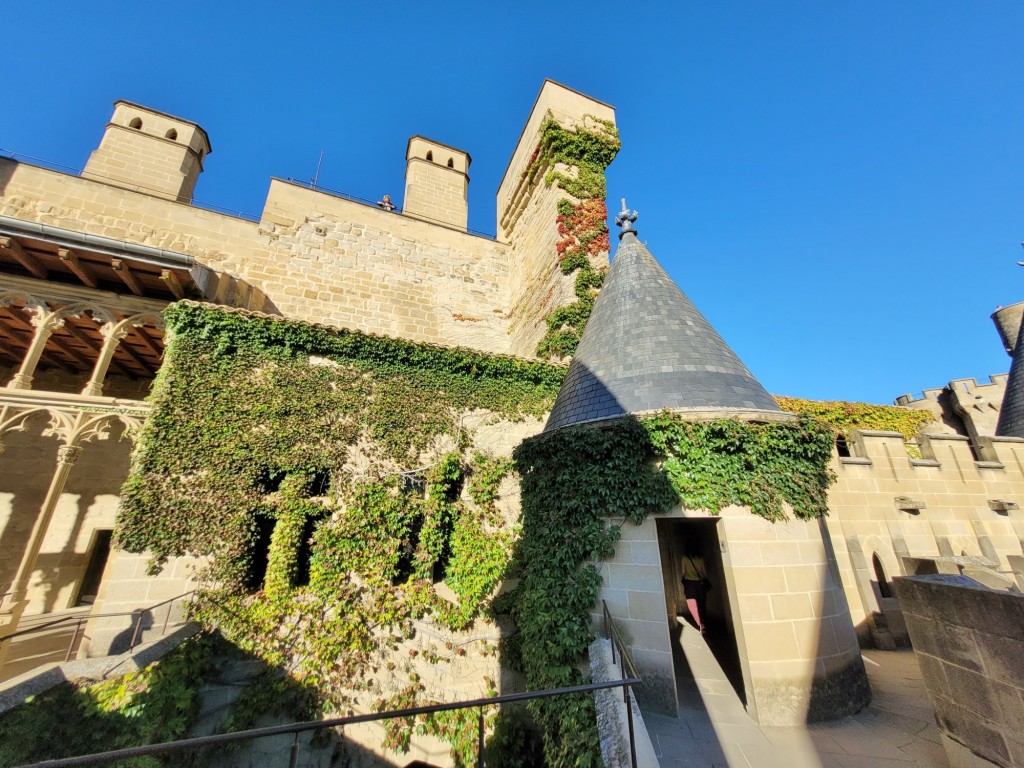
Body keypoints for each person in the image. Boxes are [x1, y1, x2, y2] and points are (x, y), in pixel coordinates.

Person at [681, 541, 709, 635]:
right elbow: (704, 572)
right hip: (700, 583)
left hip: (689, 583)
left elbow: (683, 572)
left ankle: (700, 624)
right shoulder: (700, 558)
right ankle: (703, 621)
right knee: (701, 604)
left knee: (692, 605)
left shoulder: (684, 558)